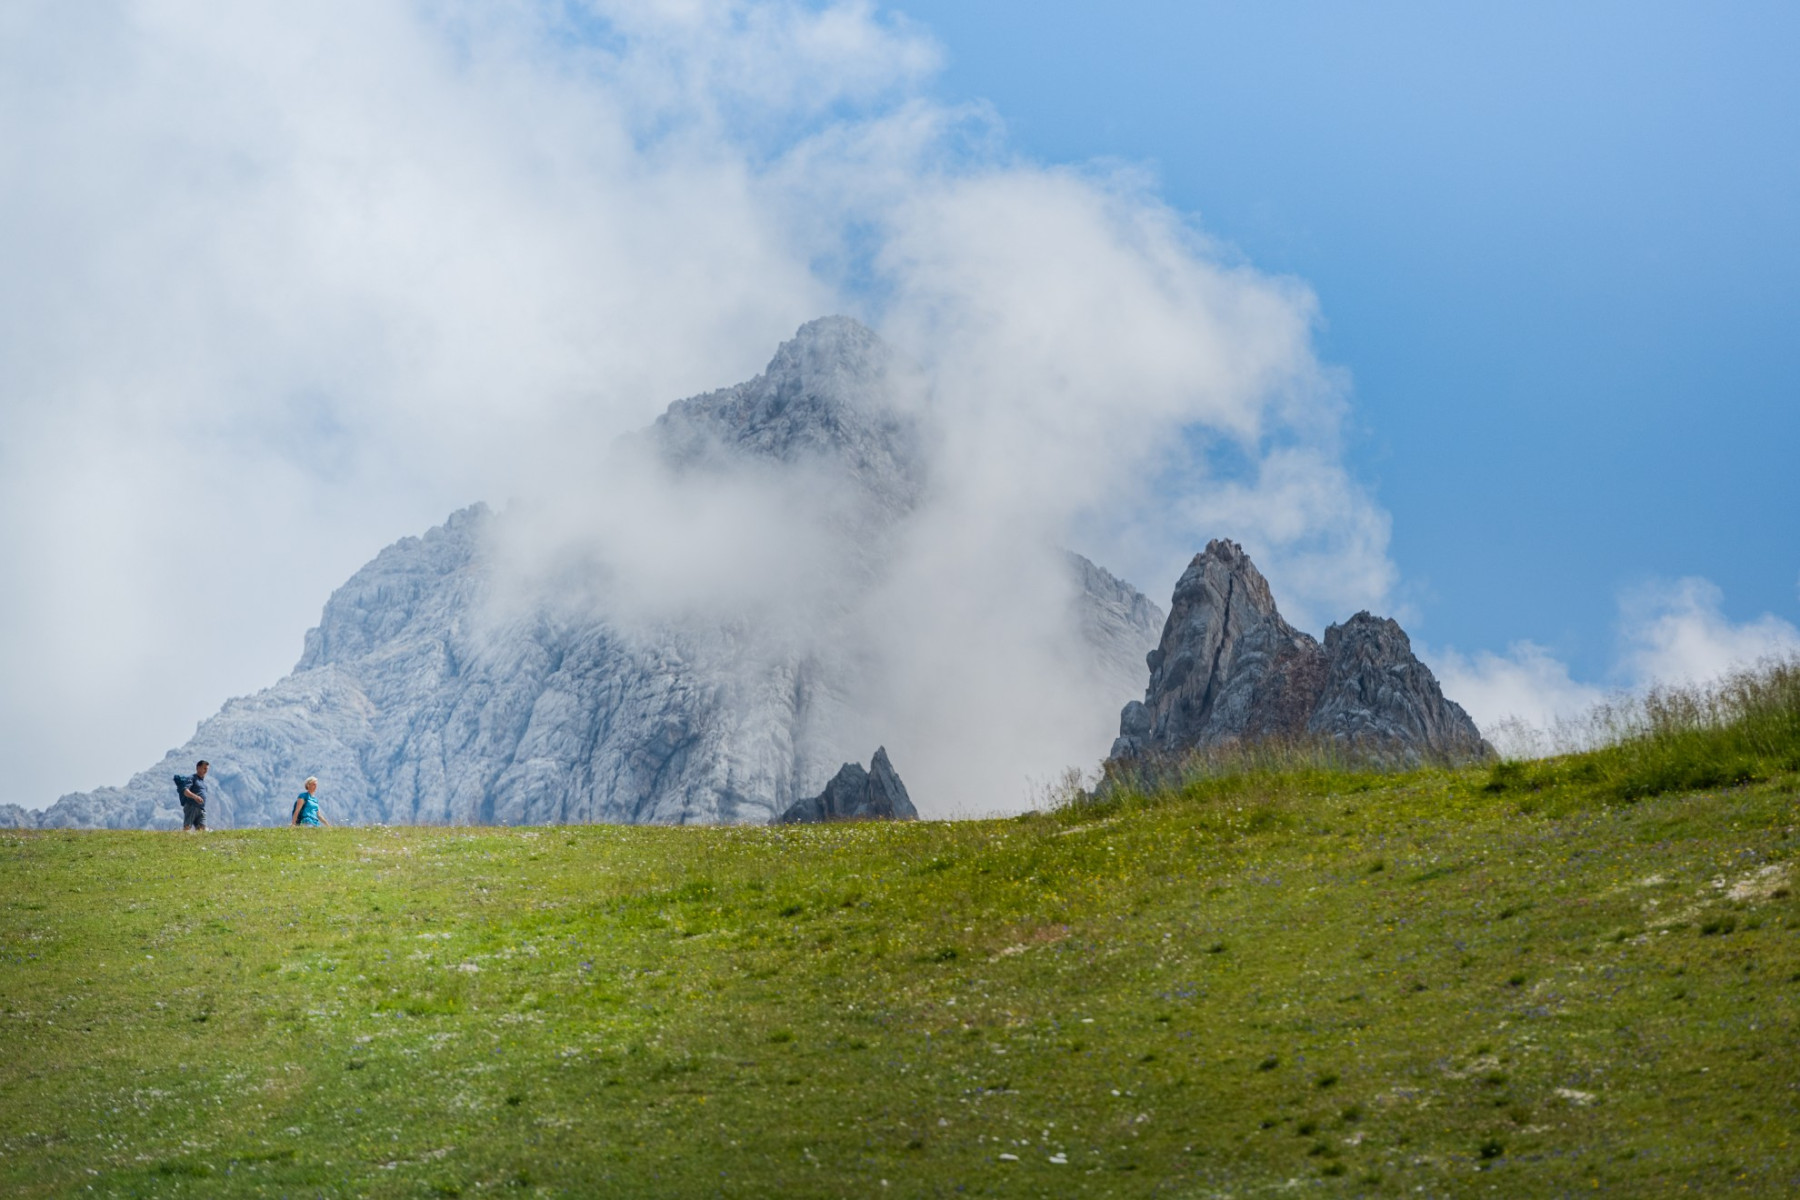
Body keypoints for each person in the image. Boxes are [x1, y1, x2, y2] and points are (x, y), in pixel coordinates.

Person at [176, 760, 210, 832]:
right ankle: (183, 841)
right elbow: (185, 791)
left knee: (202, 830)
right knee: (187, 828)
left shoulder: (203, 782)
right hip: (192, 806)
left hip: (201, 809)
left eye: (207, 769)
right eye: (204, 768)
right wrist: (195, 797)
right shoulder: (192, 778)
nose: (206, 771)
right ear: (198, 768)